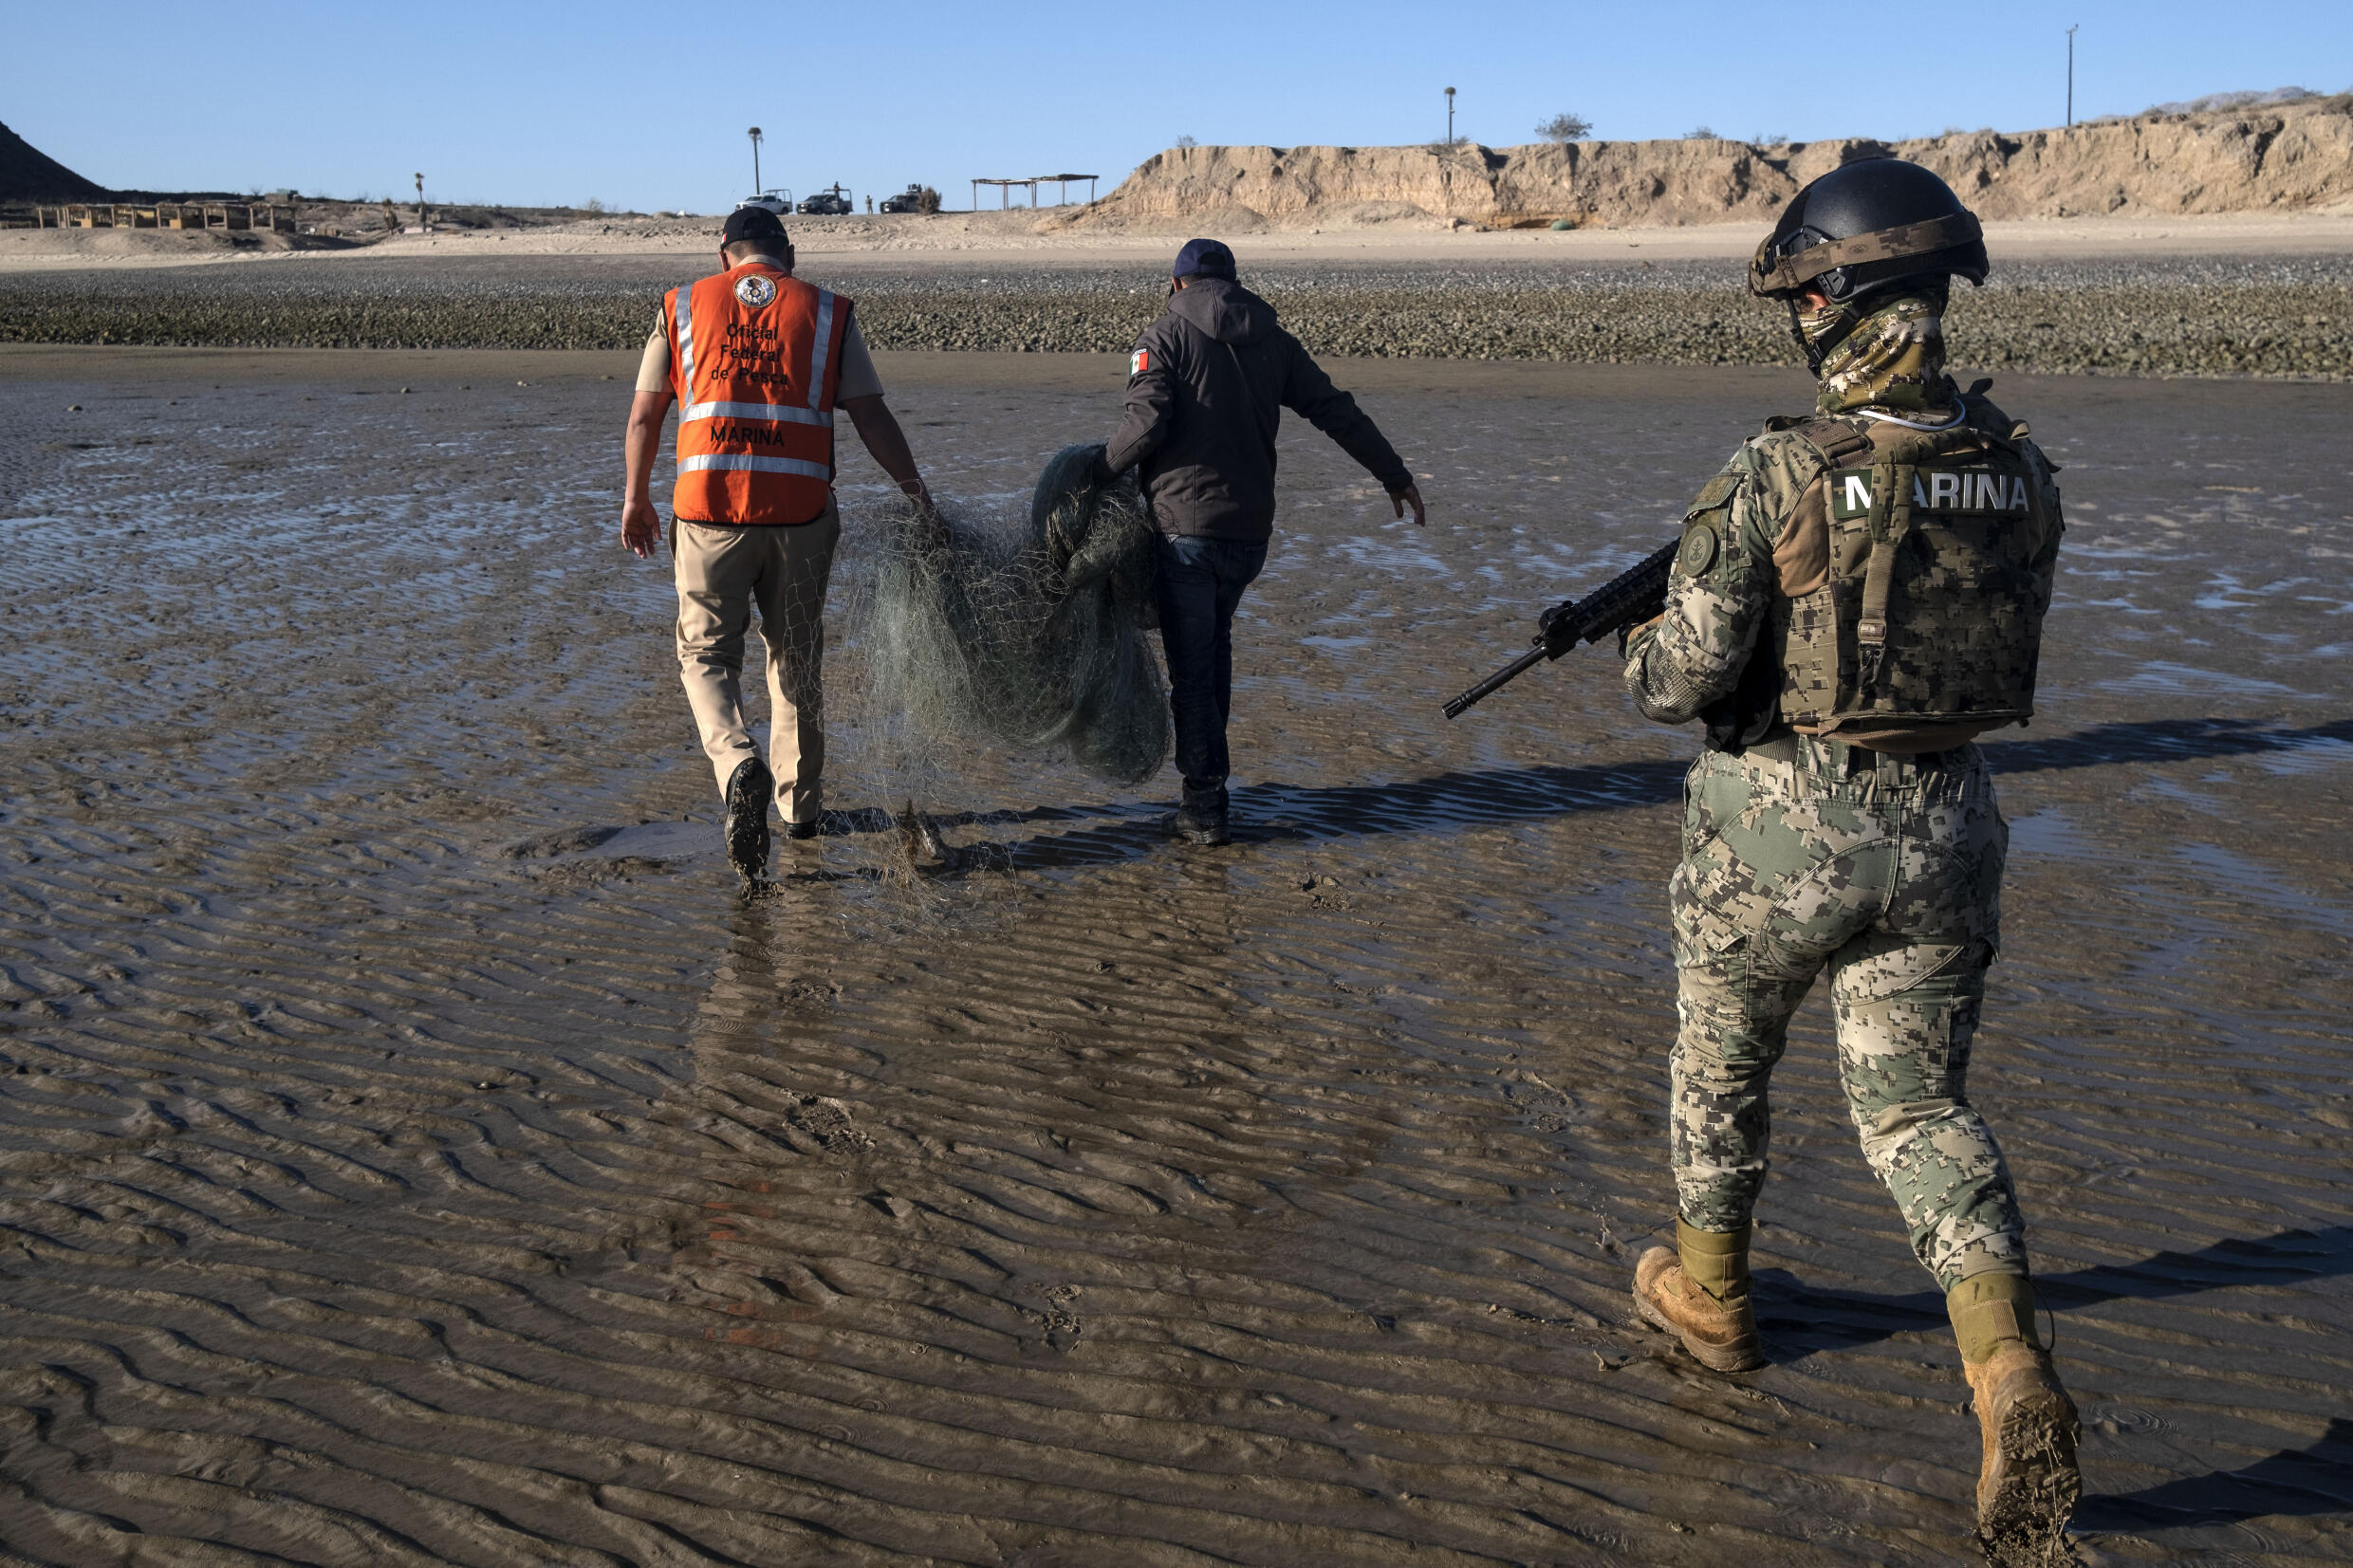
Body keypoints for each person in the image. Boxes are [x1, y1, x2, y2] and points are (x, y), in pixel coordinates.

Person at [1617, 158, 2077, 1560]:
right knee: (1917, 1113)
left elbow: (1683, 679)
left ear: (1838, 302)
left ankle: (1711, 1301)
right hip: (1949, 838)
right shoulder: (2021, 471)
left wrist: (1645, 647)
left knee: (1720, 1063)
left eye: (1810, 290)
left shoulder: (1775, 471)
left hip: (1778, 843)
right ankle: (2005, 1369)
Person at [620, 206, 934, 886]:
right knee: (795, 657)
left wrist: (636, 497)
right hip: (801, 514)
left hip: (708, 513)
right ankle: (802, 812)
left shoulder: (681, 307)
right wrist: (917, 493)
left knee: (706, 656)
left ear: (723, 251)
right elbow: (871, 413)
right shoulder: (826, 313)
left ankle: (738, 764)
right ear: (786, 252)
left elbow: (646, 411)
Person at [1101, 238, 1427, 845]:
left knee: (1195, 672)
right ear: (1233, 282)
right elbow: (1334, 409)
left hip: (1185, 534)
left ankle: (1202, 809)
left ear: (1176, 285)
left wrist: (1092, 474)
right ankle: (1208, 790)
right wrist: (1394, 474)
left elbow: (1144, 427)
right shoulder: (1272, 339)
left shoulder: (1162, 338)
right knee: (1213, 656)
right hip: (1249, 537)